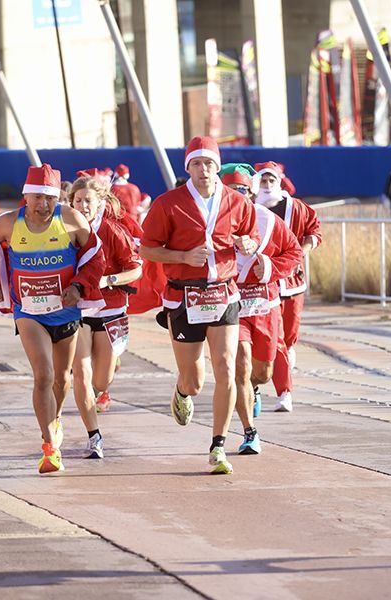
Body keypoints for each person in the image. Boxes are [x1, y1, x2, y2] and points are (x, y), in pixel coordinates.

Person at [0, 164, 105, 474]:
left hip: (65, 311)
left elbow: (95, 256)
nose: (43, 205)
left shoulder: (71, 219)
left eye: (49, 198)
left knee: (61, 379)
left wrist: (78, 286)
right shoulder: (7, 223)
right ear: (26, 196)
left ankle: (54, 419)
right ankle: (49, 449)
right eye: (37, 197)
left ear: (57, 198)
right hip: (28, 312)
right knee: (43, 375)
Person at [140, 136, 258, 475]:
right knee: (194, 380)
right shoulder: (168, 203)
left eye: (209, 163)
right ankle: (181, 392)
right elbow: (147, 249)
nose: (203, 170)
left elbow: (250, 237)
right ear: (188, 168)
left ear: (217, 166)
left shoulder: (237, 202)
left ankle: (218, 445)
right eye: (196, 164)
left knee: (226, 367)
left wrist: (248, 244)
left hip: (223, 293)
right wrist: (183, 257)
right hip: (183, 296)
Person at [224, 164, 302, 454]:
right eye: (232, 190)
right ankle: (249, 431)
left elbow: (294, 253)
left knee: (262, 372)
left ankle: (255, 388)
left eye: (243, 190)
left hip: (264, 305)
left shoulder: (268, 220)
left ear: (251, 192)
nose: (239, 195)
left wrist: (268, 267)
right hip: (231, 305)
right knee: (241, 366)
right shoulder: (214, 223)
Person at [69, 176, 142, 454]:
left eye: (88, 200)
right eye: (78, 201)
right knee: (81, 374)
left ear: (100, 202)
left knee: (101, 381)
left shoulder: (112, 230)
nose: (83, 206)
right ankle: (94, 436)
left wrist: (109, 280)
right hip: (77, 310)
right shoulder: (63, 230)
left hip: (111, 309)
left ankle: (100, 389)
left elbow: (135, 269)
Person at [256, 161, 321, 414]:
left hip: (292, 281)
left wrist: (301, 252)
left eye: (271, 180)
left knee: (290, 331)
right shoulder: (250, 207)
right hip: (263, 285)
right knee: (275, 338)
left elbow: (314, 231)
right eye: (263, 180)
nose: (267, 185)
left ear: (279, 181)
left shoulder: (297, 208)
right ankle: (282, 390)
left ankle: (288, 352)